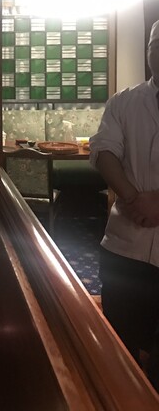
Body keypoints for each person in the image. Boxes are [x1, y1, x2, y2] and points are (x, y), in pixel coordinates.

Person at [89, 20, 159, 377]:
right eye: (156, 46)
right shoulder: (124, 101)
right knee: (120, 346)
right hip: (124, 247)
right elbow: (103, 151)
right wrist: (133, 198)